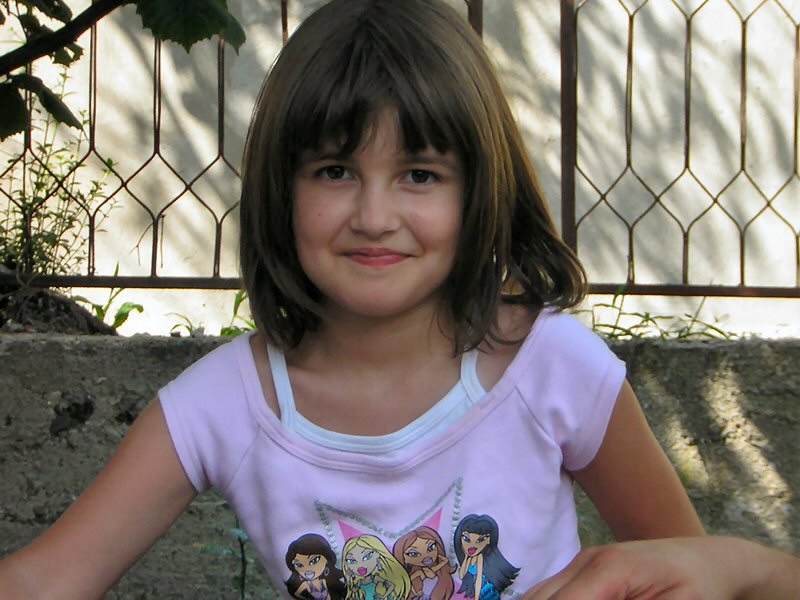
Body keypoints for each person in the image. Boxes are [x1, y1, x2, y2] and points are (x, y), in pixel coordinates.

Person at [1, 0, 791, 598]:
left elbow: (697, 573)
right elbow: (43, 580)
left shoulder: (554, 366)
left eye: (419, 174)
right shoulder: (223, 404)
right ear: (282, 188)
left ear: (478, 190)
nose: (374, 216)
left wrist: (742, 567)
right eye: (335, 171)